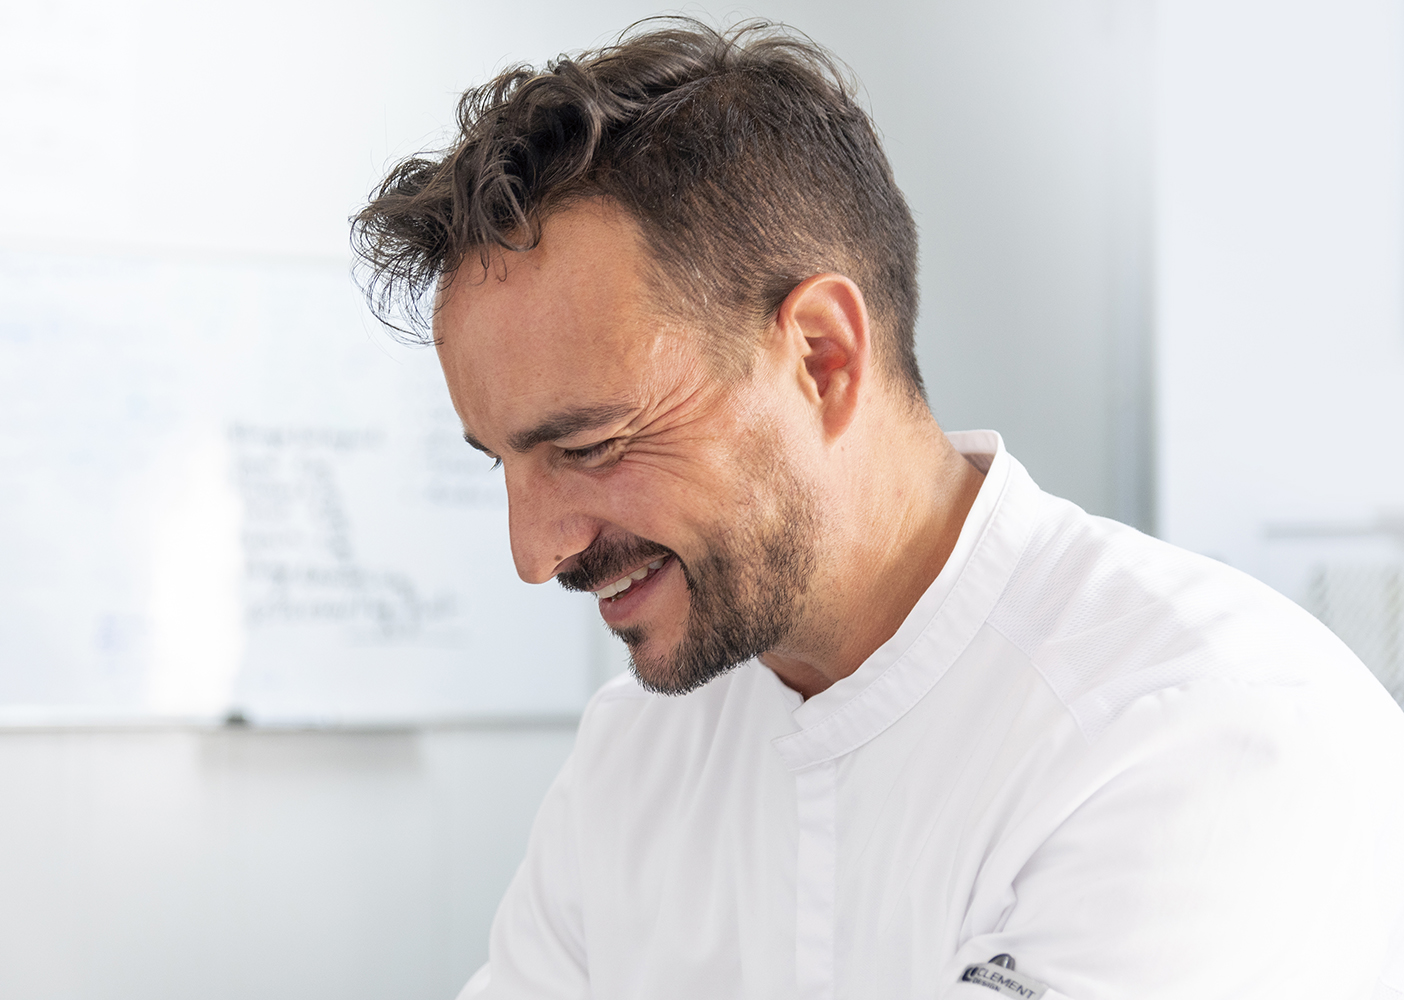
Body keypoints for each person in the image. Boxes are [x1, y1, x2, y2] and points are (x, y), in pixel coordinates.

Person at [352, 18, 1404, 1000]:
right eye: (503, 461)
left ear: (822, 356)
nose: (535, 553)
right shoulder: (635, 753)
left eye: (588, 445)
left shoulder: (1199, 732)